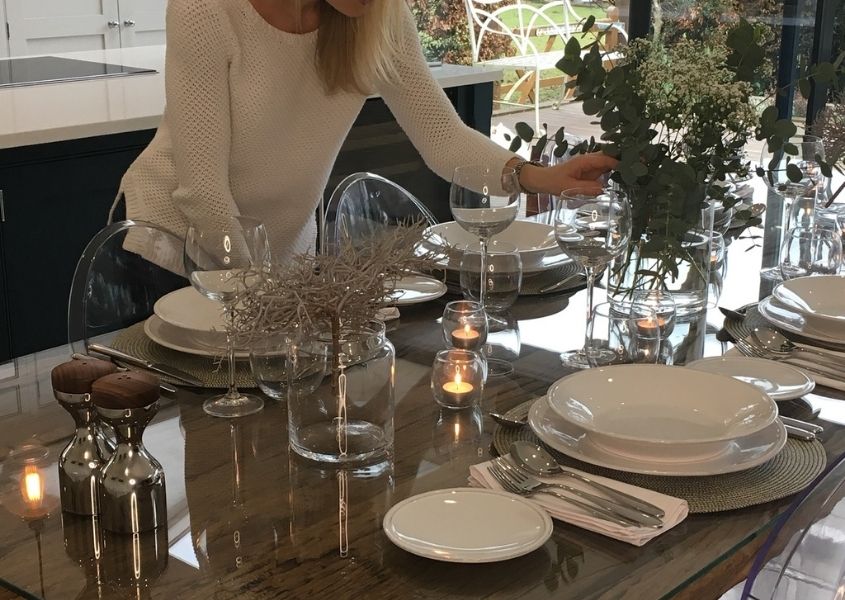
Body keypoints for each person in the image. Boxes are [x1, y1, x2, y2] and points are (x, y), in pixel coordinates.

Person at [118, 0, 617, 264]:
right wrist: (253, 290)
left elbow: (442, 137)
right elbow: (202, 192)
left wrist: (540, 177)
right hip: (174, 245)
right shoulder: (206, 9)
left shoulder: (375, 17)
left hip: (277, 260)